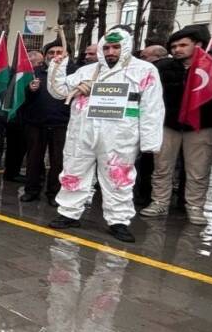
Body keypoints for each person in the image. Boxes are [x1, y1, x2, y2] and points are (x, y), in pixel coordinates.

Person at [46, 27, 164, 243]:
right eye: (107, 47)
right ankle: (69, 213)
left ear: (126, 47)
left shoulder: (143, 71)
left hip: (120, 135)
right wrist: (59, 64)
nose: (111, 52)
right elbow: (58, 90)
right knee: (74, 170)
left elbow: (153, 107)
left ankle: (118, 220)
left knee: (118, 177)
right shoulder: (88, 71)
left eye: (116, 47)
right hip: (83, 132)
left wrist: (150, 141)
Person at [141, 26, 212, 225]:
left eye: (183, 45)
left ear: (199, 45)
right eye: (174, 46)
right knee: (162, 167)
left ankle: (195, 207)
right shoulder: (163, 67)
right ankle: (159, 201)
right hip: (168, 124)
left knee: (198, 171)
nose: (177, 49)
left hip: (201, 126)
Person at [20, 40, 72, 206]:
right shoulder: (35, 72)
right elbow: (22, 98)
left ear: (67, 55)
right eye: (51, 53)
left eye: (59, 52)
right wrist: (30, 90)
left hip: (62, 124)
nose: (55, 56)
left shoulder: (74, 73)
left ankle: (54, 193)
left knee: (58, 161)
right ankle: (31, 190)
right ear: (45, 56)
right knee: (34, 159)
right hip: (36, 123)